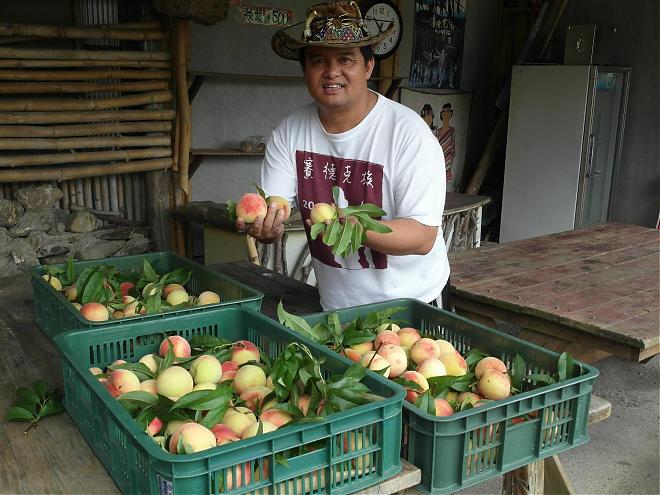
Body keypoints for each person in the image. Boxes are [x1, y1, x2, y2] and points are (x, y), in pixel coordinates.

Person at [236, 1, 450, 311]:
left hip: (412, 305)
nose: (331, 72)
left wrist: (349, 226)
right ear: (305, 69)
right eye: (318, 60)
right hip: (336, 307)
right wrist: (267, 226)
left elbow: (422, 236)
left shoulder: (408, 134)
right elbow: (275, 207)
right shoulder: (289, 133)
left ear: (368, 66)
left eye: (346, 59)